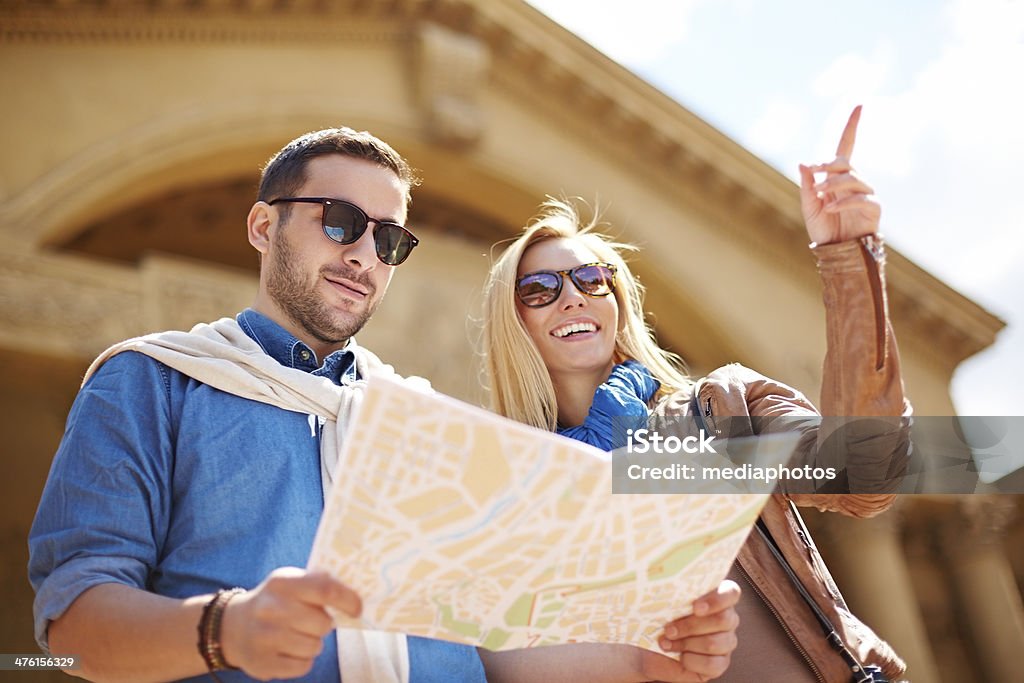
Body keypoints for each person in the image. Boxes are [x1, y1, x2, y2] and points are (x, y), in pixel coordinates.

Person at [29, 126, 740, 683]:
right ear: (261, 226)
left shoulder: (422, 419)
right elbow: (70, 631)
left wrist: (649, 661)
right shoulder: (150, 382)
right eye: (340, 220)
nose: (365, 254)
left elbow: (485, 646)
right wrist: (228, 628)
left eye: (390, 239)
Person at [481, 107, 913, 683]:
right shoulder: (510, 482)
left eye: (591, 280)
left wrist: (848, 257)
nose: (573, 298)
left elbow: (864, 471)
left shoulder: (721, 408)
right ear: (513, 324)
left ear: (617, 300)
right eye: (539, 289)